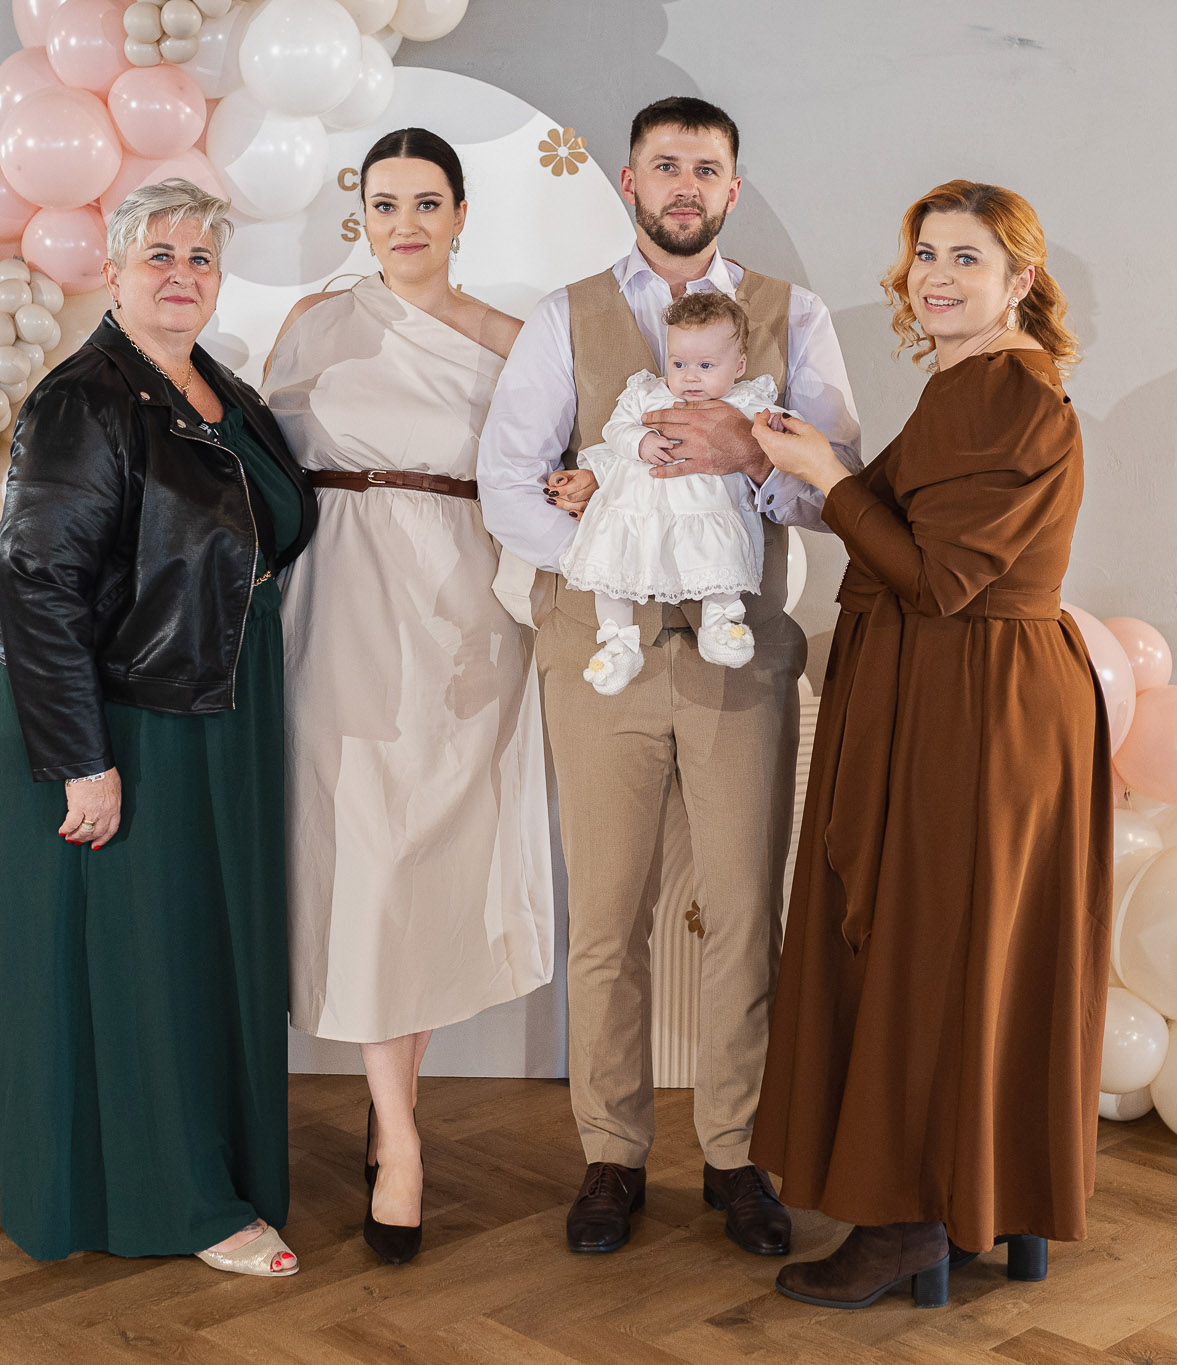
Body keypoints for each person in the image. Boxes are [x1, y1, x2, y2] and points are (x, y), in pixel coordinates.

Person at [477, 95, 861, 1257]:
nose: (682, 185)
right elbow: (506, 478)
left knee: (743, 914)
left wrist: (751, 458)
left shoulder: (792, 316)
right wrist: (613, 554)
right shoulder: (566, 317)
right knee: (606, 919)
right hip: (599, 652)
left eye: (703, 168)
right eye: (662, 165)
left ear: (729, 189)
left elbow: (835, 481)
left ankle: (737, 1157)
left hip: (740, 651)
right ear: (630, 184)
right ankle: (611, 1153)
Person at [0, 179, 318, 1277]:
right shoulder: (82, 399)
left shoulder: (216, 387)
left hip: (206, 701)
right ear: (111, 271)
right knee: (144, 959)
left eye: (200, 258)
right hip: (116, 714)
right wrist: (81, 761)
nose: (181, 275)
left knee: (191, 950)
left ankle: (203, 1164)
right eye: (159, 255)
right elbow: (37, 586)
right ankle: (178, 1203)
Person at [747, 180, 1112, 1310]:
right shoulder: (975, 384)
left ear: (1020, 281)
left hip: (971, 705)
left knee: (926, 948)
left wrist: (826, 475)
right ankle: (985, 1196)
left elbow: (936, 577)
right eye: (926, 255)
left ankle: (907, 1221)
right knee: (971, 950)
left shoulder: (999, 390)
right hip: (974, 695)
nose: (937, 276)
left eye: (967, 257)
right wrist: (816, 472)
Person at [265, 128, 552, 1266]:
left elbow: (541, 481)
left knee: (428, 864)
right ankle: (401, 1139)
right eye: (384, 204)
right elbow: (259, 468)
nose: (405, 224)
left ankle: (396, 1119)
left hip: (462, 612)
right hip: (336, 603)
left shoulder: (513, 341)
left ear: (461, 213)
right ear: (362, 217)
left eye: (427, 202)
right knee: (367, 858)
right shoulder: (313, 322)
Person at [557, 292, 796, 694]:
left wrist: (774, 430)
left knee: (720, 555)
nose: (690, 377)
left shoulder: (745, 402)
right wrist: (639, 441)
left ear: (738, 366)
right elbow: (615, 429)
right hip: (637, 509)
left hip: (709, 509)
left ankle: (721, 623)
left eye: (706, 366)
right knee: (611, 569)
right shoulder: (645, 394)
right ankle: (618, 643)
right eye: (678, 363)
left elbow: (787, 433)